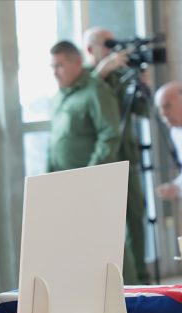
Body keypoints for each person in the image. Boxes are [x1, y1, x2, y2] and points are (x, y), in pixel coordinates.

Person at [48, 40, 138, 283]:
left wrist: (91, 174)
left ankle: (129, 296)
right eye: (52, 66)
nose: (55, 72)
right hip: (65, 184)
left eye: (59, 65)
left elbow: (109, 135)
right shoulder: (61, 97)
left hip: (91, 182)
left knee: (109, 243)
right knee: (80, 244)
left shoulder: (96, 90)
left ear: (77, 62)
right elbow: (55, 140)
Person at [84, 27, 151, 284]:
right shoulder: (88, 78)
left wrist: (144, 85)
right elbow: (86, 100)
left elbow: (143, 111)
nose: (113, 50)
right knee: (107, 224)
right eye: (107, 44)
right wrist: (104, 70)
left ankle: (143, 280)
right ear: (91, 49)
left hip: (127, 157)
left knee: (135, 216)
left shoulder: (122, 77)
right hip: (102, 161)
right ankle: (120, 283)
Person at [154, 82, 182, 199]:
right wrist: (176, 187)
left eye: (167, 106)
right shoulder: (175, 132)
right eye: (160, 109)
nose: (163, 113)